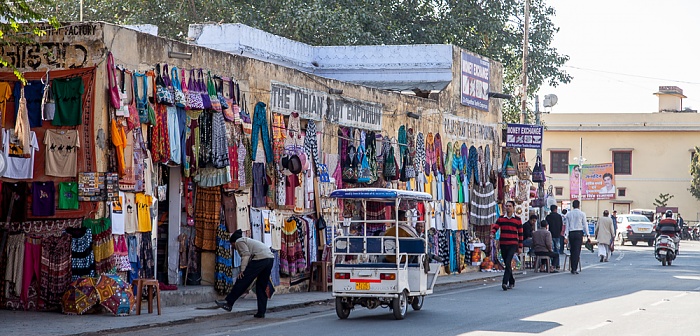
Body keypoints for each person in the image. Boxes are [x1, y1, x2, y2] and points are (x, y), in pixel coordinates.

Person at [215, 229, 275, 318]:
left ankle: (229, 303)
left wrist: (242, 271)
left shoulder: (239, 242)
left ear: (233, 242)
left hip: (260, 258)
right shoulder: (248, 241)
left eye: (232, 245)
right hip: (269, 259)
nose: (233, 247)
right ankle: (261, 312)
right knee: (261, 286)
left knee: (242, 280)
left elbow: (245, 255)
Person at [490, 200, 523, 291]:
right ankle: (512, 280)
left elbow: (520, 234)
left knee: (508, 262)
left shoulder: (517, 219)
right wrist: (492, 233)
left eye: (509, 206)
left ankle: (505, 282)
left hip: (513, 244)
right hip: (503, 244)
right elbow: (495, 227)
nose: (507, 207)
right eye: (506, 206)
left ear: (513, 208)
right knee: (506, 263)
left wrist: (520, 246)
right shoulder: (501, 218)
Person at [564, 200, 589, 274]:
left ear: (572, 205)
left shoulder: (569, 214)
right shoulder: (582, 214)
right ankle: (575, 267)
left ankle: (572, 267)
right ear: (579, 205)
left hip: (571, 233)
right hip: (579, 232)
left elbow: (567, 226)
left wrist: (566, 236)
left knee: (572, 250)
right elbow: (585, 225)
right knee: (577, 251)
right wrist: (588, 235)